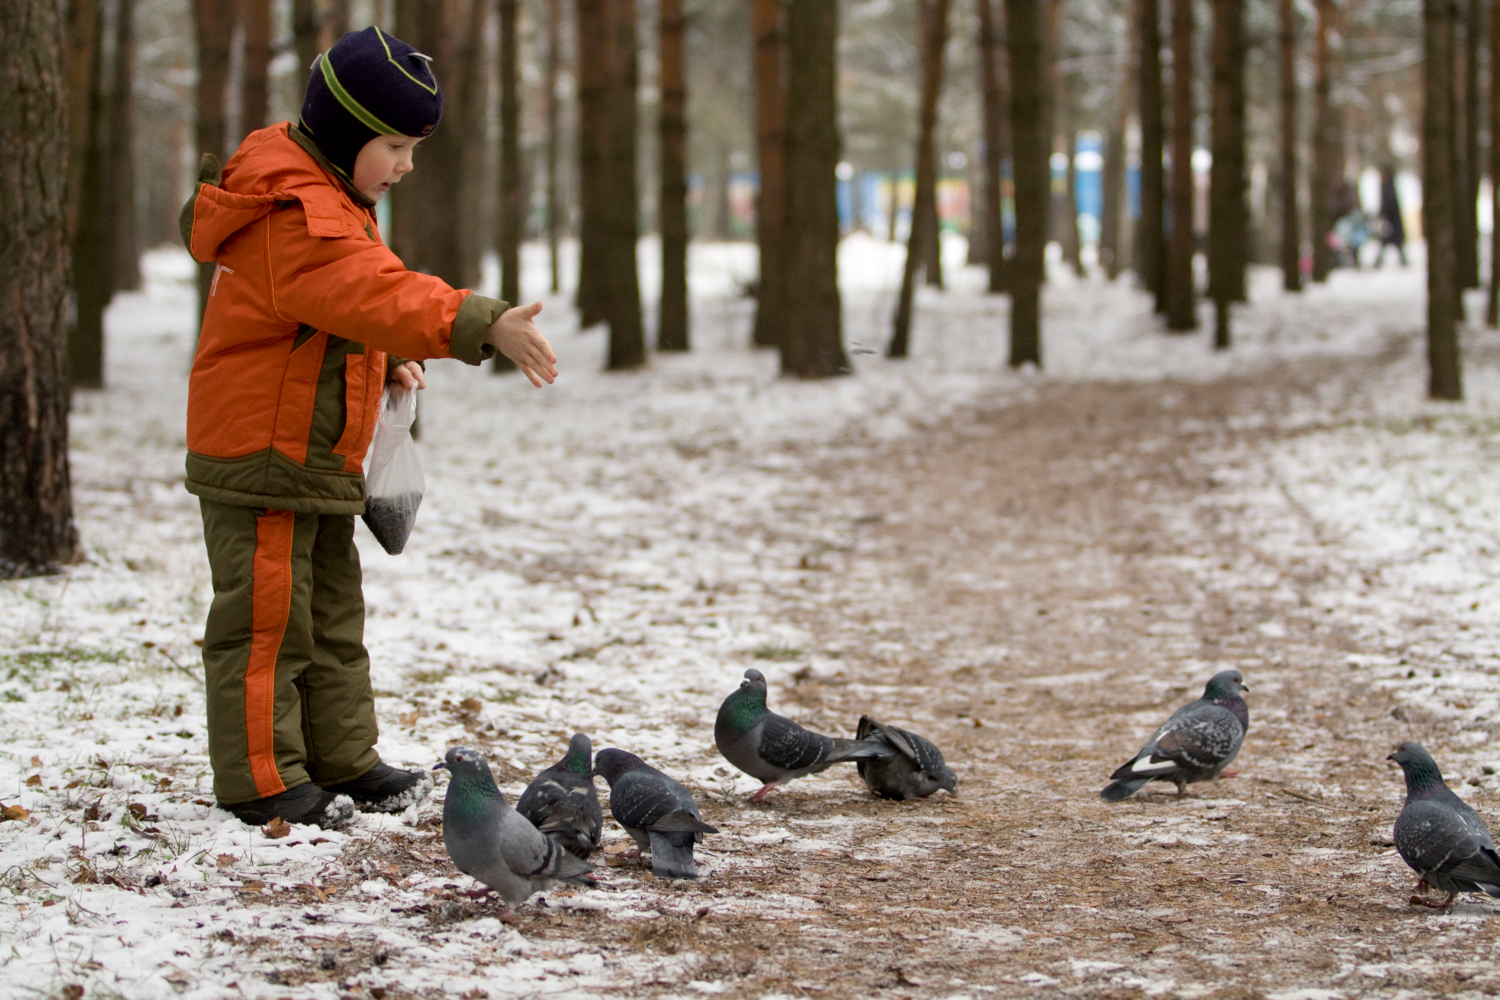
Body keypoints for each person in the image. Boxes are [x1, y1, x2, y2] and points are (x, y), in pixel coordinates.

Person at [179, 26, 558, 827]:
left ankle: (340, 759)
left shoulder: (330, 196)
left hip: (311, 452)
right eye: (394, 146)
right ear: (348, 132)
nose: (405, 166)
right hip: (264, 452)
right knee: (267, 624)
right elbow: (368, 293)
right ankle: (261, 779)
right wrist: (479, 321)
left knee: (330, 617)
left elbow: (325, 316)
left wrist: (379, 361)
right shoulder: (293, 211)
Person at [1374, 164, 1406, 267]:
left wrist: (1384, 213)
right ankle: (1379, 262)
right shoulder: (1388, 185)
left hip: (1392, 220)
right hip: (1392, 220)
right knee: (1391, 242)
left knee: (1389, 241)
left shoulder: (1388, 186)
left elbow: (1389, 203)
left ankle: (1378, 262)